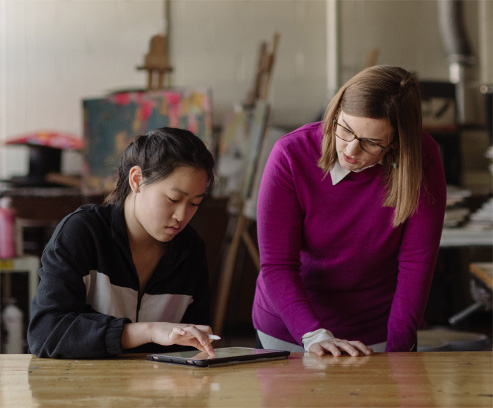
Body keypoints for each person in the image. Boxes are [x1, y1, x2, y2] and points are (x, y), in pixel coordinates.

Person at [252, 65, 447, 356]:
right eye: (345, 129)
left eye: (370, 142)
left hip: (377, 333)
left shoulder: (420, 156)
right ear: (335, 114)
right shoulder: (291, 154)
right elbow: (278, 265)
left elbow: (416, 263)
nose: (351, 150)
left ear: (396, 142)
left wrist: (399, 353)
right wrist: (314, 335)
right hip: (292, 330)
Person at [28, 127, 218, 359]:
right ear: (137, 180)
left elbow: (192, 345)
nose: (182, 216)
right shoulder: (83, 233)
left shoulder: (190, 249)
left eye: (194, 203)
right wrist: (147, 331)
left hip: (159, 381)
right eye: (173, 199)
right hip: (81, 380)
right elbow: (46, 333)